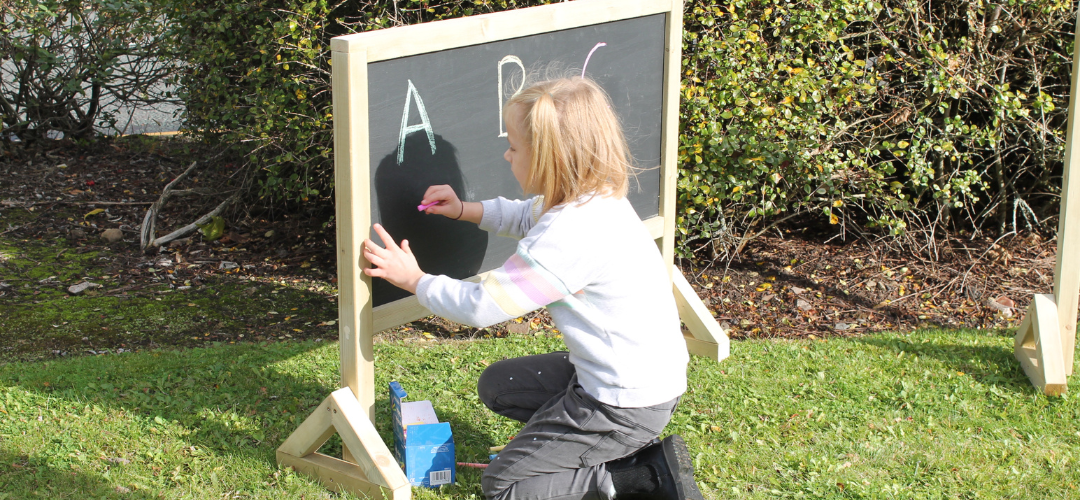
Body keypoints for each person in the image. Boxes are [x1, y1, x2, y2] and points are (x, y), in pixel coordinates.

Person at [362, 76, 704, 500]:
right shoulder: (591, 198)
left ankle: (639, 478)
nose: (506, 155)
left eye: (515, 148)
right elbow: (528, 215)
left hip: (622, 403)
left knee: (504, 485)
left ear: (548, 157)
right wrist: (465, 210)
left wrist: (415, 279)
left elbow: (483, 306)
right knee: (499, 386)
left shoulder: (572, 234)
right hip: (638, 379)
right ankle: (585, 450)